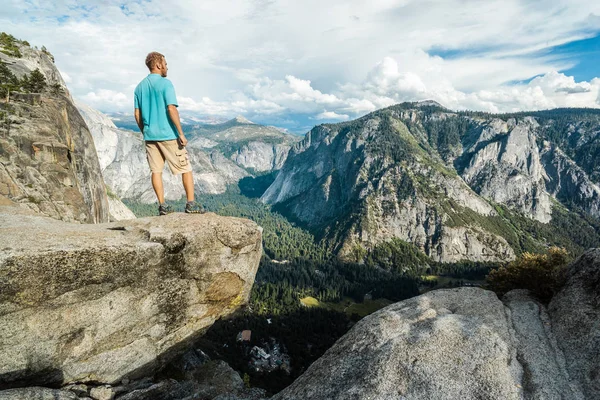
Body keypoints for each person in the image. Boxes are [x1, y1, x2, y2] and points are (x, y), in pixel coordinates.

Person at [134, 51, 204, 215]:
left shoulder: (139, 87)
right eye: (165, 64)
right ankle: (191, 204)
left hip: (150, 136)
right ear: (158, 65)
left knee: (156, 171)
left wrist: (145, 130)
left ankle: (162, 206)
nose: (167, 67)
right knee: (186, 168)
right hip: (168, 135)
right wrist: (180, 133)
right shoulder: (166, 84)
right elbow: (171, 108)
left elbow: (137, 114)